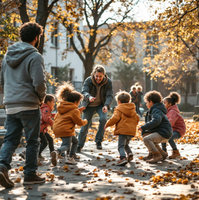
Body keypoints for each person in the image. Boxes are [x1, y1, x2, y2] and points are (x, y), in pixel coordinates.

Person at [0, 22, 46, 188]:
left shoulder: (7, 57)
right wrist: (41, 98)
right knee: (33, 141)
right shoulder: (35, 56)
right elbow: (39, 83)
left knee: (10, 140)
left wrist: (9, 98)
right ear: (36, 38)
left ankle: (2, 166)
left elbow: (2, 81)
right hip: (29, 105)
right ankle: (30, 174)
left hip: (11, 105)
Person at [77, 65, 113, 152]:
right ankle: (79, 144)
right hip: (89, 105)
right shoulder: (88, 80)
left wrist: (106, 105)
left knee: (103, 119)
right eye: (96, 76)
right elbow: (84, 91)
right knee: (84, 125)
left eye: (100, 76)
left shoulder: (108, 82)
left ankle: (98, 140)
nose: (98, 78)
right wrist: (89, 97)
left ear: (104, 75)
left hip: (101, 105)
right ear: (93, 74)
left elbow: (109, 95)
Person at [51, 82, 88, 166]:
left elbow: (67, 116)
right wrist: (85, 121)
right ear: (75, 102)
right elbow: (79, 122)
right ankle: (58, 152)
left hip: (57, 128)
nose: (79, 104)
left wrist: (78, 111)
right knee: (67, 145)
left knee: (75, 141)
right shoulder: (74, 110)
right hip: (66, 130)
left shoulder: (62, 107)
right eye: (79, 102)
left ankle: (68, 156)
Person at [104, 91, 139, 166]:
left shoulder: (119, 109)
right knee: (126, 144)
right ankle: (129, 153)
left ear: (119, 101)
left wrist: (107, 124)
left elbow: (115, 118)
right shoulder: (133, 109)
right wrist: (133, 125)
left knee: (121, 146)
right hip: (131, 131)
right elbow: (137, 118)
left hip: (123, 131)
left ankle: (123, 158)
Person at [138, 91, 172, 164]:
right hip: (162, 132)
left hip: (164, 133)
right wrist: (144, 129)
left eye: (147, 102)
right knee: (145, 134)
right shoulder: (155, 109)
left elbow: (156, 120)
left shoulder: (156, 110)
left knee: (147, 139)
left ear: (151, 102)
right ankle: (161, 153)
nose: (146, 104)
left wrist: (144, 127)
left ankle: (157, 155)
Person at [162, 92, 186, 159]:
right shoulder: (168, 111)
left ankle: (176, 152)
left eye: (164, 103)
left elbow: (170, 123)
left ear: (169, 104)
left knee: (169, 136)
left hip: (178, 130)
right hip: (172, 129)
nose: (163, 105)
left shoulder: (173, 112)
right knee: (162, 135)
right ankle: (163, 152)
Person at [38, 94, 56, 160]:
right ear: (48, 102)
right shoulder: (46, 109)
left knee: (50, 139)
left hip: (42, 129)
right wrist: (53, 124)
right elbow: (46, 118)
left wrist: (56, 115)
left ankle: (53, 153)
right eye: (53, 102)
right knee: (44, 143)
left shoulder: (45, 108)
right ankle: (37, 154)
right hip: (40, 129)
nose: (54, 104)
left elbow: (48, 115)